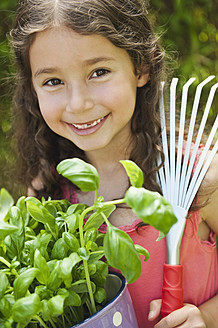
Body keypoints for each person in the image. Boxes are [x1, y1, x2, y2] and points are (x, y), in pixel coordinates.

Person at [11, 0, 218, 327]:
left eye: (99, 72)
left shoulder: (202, 177)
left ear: (142, 68)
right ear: (32, 89)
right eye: (53, 81)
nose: (78, 103)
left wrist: (206, 317)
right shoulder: (46, 193)